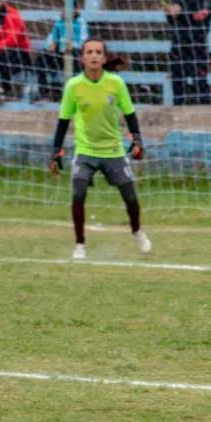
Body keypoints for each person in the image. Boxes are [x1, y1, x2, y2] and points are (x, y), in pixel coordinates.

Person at [50, 38, 151, 261]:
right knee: (78, 193)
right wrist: (55, 150)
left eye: (98, 52)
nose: (94, 56)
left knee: (131, 198)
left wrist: (137, 141)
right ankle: (80, 244)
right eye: (89, 52)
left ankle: (137, 231)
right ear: (82, 58)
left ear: (104, 58)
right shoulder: (73, 86)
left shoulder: (116, 83)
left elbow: (130, 114)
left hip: (113, 150)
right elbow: (64, 120)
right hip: (85, 151)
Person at [166, 0, 211, 105]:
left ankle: (203, 110)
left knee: (199, 77)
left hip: (196, 42)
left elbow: (202, 16)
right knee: (177, 77)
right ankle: (178, 109)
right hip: (179, 41)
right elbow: (172, 20)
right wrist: (171, 14)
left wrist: (182, 11)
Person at [36, 12, 89, 101]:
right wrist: (51, 46)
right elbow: (51, 39)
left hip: (75, 53)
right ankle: (44, 93)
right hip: (59, 53)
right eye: (63, 9)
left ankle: (72, 94)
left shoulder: (81, 22)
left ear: (75, 9)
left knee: (72, 56)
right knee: (41, 58)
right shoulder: (59, 22)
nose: (64, 11)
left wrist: (71, 45)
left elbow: (84, 41)